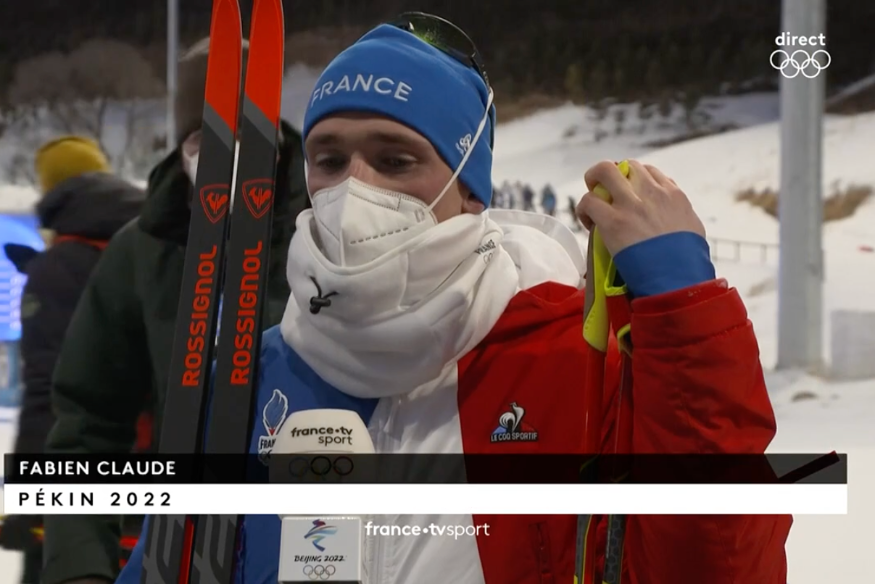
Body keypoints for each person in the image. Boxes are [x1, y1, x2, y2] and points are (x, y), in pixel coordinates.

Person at [118, 13, 789, 584]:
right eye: (329, 159)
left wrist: (686, 313)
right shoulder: (250, 379)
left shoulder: (575, 363)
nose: (354, 188)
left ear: (469, 189)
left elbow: (716, 562)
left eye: (395, 160)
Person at [41, 36, 310, 584]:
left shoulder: (321, 234)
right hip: (183, 546)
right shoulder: (141, 251)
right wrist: (80, 569)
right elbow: (89, 425)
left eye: (247, 136)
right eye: (203, 139)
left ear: (275, 137)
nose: (226, 156)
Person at [0, 136, 145, 584]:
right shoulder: (150, 246)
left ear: (52, 191)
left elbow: (51, 387)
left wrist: (30, 499)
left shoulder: (61, 266)